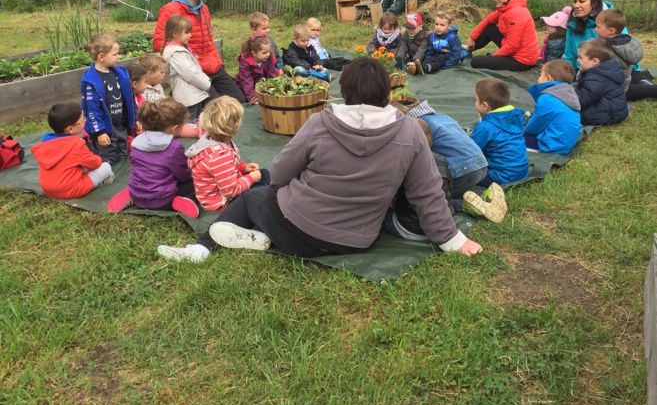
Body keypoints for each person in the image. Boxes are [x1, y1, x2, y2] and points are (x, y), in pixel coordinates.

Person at [157, 58, 482, 262]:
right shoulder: (411, 131)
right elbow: (427, 193)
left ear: (346, 91)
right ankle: (258, 234)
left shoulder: (321, 122)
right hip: (356, 242)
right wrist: (452, 239)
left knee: (256, 192)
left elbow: (283, 172)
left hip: (295, 229)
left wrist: (278, 188)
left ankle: (199, 249)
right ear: (386, 92)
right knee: (267, 185)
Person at [382, 118, 507, 234]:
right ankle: (478, 199)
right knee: (439, 200)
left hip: (413, 228)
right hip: (445, 220)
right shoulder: (441, 160)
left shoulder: (402, 163)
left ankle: (465, 204)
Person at [153, 0, 245, 102]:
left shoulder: (204, 9)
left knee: (239, 100)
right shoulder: (170, 10)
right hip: (193, 71)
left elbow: (209, 39)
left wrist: (218, 63)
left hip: (213, 67)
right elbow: (158, 42)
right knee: (218, 107)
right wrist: (185, 56)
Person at [107, 98, 199, 216]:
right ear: (174, 128)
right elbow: (183, 175)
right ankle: (177, 201)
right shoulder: (173, 147)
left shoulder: (137, 142)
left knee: (147, 176)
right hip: (163, 200)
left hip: (138, 194)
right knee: (195, 179)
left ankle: (131, 194)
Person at [185, 97, 270, 212]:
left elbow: (228, 168)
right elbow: (230, 191)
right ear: (235, 127)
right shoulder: (219, 156)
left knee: (263, 174)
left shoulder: (212, 140)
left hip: (223, 189)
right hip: (221, 202)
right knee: (262, 184)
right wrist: (250, 178)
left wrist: (243, 168)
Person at [31, 102, 114, 199]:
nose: (85, 120)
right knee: (106, 167)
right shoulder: (76, 144)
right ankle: (99, 182)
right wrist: (98, 159)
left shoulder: (45, 143)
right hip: (71, 190)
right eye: (82, 119)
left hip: (48, 189)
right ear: (70, 129)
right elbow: (95, 164)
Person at [81, 33, 135, 165]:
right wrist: (99, 132)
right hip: (105, 129)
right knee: (108, 158)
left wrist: (136, 118)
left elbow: (129, 99)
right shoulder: (91, 81)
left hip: (120, 124)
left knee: (123, 154)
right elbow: (92, 110)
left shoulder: (120, 74)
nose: (118, 57)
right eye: (115, 54)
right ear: (101, 57)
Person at [464, 0, 538, 71]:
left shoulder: (516, 14)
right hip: (512, 48)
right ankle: (467, 50)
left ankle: (485, 57)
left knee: (475, 61)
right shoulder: (507, 7)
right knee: (489, 29)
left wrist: (494, 57)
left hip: (521, 60)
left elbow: (512, 47)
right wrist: (472, 38)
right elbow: (488, 20)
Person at [470, 78, 529, 184]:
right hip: (522, 172)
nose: (475, 102)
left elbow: (471, 151)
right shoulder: (516, 117)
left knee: (463, 172)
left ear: (484, 105)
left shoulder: (486, 127)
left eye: (476, 100)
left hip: (498, 177)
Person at [595, 9, 657, 101]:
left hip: (619, 85)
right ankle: (645, 86)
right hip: (625, 79)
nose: (595, 29)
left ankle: (651, 89)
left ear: (611, 30)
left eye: (598, 27)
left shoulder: (610, 49)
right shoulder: (624, 42)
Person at [524, 59, 582, 154]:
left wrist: (521, 130)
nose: (538, 78)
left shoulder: (547, 98)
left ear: (548, 78)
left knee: (510, 138)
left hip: (551, 145)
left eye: (541, 75)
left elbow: (534, 127)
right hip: (565, 142)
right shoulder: (568, 92)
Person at [162, 14, 212, 121]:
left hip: (193, 96)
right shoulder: (176, 53)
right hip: (188, 98)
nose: (190, 35)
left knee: (198, 121)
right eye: (186, 32)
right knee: (189, 123)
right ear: (174, 34)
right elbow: (191, 74)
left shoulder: (180, 49)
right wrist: (207, 85)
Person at [562, 0, 617, 70]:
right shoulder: (572, 24)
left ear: (594, 3)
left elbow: (619, 56)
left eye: (581, 1)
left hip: (605, 73)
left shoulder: (612, 22)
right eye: (575, 1)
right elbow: (569, 56)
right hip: (580, 72)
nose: (576, 5)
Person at [577, 40, 629, 127]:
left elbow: (583, 100)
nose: (577, 60)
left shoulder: (597, 77)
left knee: (574, 114)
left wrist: (567, 102)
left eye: (580, 57)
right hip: (614, 107)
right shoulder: (604, 69)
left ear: (595, 61)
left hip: (611, 112)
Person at [235, 34, 282, 104]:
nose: (268, 54)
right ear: (254, 53)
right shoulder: (245, 62)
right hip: (246, 88)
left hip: (261, 85)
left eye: (269, 51)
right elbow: (246, 81)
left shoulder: (268, 58)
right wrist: (253, 98)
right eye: (264, 52)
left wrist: (273, 90)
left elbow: (271, 75)